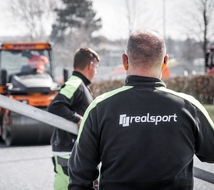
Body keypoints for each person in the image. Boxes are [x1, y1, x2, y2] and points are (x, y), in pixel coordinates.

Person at [68, 29, 214, 190]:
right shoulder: (189, 107)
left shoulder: (99, 108)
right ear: (165, 62)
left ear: (125, 61)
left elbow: (79, 178)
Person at [48, 47, 100, 190]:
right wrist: (79, 119)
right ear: (90, 66)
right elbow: (56, 106)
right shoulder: (76, 83)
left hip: (66, 151)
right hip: (70, 152)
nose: (96, 72)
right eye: (96, 67)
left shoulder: (79, 83)